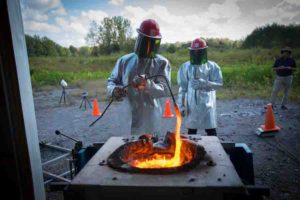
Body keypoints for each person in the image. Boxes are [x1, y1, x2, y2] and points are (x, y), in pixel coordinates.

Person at [107, 19, 171, 135]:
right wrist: (114, 90)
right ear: (139, 39)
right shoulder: (124, 61)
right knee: (127, 148)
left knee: (149, 149)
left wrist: (148, 84)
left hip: (150, 118)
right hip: (127, 116)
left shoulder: (162, 63)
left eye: (151, 43)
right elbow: (112, 81)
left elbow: (165, 90)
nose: (147, 47)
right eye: (145, 41)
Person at [177, 38, 223, 136]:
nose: (197, 54)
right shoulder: (185, 67)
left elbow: (219, 84)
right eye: (194, 52)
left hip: (208, 106)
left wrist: (205, 83)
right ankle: (191, 151)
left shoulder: (212, 66)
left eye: (199, 51)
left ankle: (214, 150)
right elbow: (182, 88)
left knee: (211, 132)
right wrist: (181, 106)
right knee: (192, 133)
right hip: (191, 106)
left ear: (204, 52)